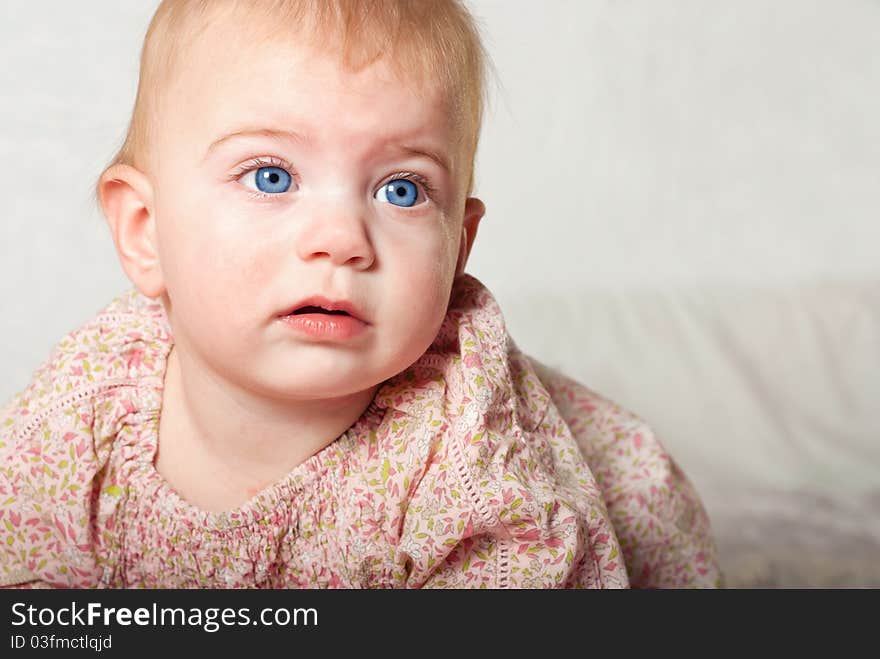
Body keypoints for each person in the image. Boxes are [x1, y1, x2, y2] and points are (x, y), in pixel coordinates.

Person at [0, 0, 721, 589]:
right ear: (145, 231)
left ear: (457, 249)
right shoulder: (91, 398)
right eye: (271, 176)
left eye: (401, 189)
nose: (342, 238)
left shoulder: (475, 460)